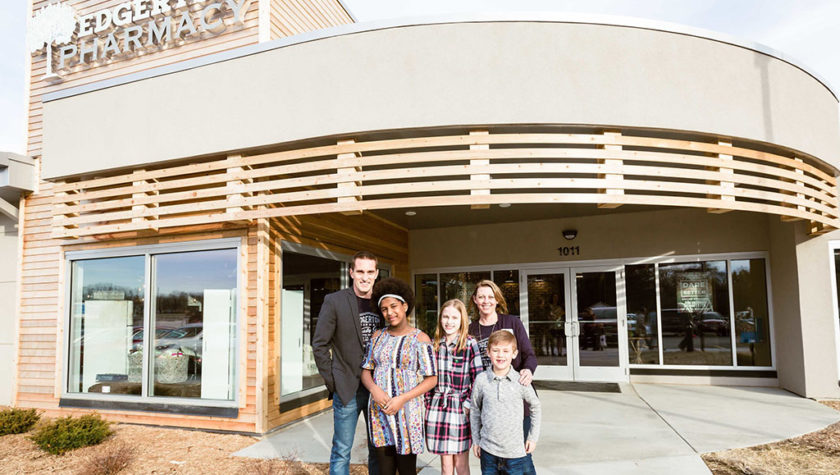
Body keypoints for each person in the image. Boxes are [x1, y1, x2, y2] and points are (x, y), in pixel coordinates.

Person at [312, 251, 384, 475]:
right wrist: (333, 382)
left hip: (377, 389)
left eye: (370, 272)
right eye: (360, 271)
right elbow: (320, 344)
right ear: (351, 272)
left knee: (378, 449)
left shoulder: (383, 302)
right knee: (342, 450)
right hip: (347, 389)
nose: (365, 277)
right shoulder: (335, 301)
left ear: (376, 274)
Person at [362, 277, 438, 475]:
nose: (389, 313)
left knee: (406, 470)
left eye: (394, 306)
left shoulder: (420, 338)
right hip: (380, 412)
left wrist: (402, 399)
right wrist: (374, 389)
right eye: (384, 309)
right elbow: (365, 371)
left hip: (407, 412)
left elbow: (432, 379)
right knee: (384, 470)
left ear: (405, 305)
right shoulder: (377, 337)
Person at [467, 280, 538, 474]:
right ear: (475, 300)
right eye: (481, 297)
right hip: (489, 403)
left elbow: (529, 355)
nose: (486, 301)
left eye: (490, 297)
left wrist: (528, 371)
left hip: (516, 402)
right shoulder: (471, 330)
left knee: (522, 457)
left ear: (497, 299)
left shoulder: (512, 323)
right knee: (492, 458)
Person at [425, 299, 484, 475]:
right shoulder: (435, 345)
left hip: (460, 409)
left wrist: (468, 404)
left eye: (454, 318)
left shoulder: (469, 344)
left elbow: (478, 378)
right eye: (445, 317)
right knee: (445, 466)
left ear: (462, 321)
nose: (449, 322)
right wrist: (428, 403)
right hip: (438, 409)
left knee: (461, 464)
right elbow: (428, 379)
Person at [471, 330, 541, 475]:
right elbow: (475, 410)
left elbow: (536, 406)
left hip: (514, 454)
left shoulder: (521, 381)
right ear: (488, 353)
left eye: (505, 351)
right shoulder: (482, 380)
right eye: (495, 350)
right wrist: (476, 441)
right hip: (488, 452)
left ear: (514, 354)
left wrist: (532, 438)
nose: (500, 355)